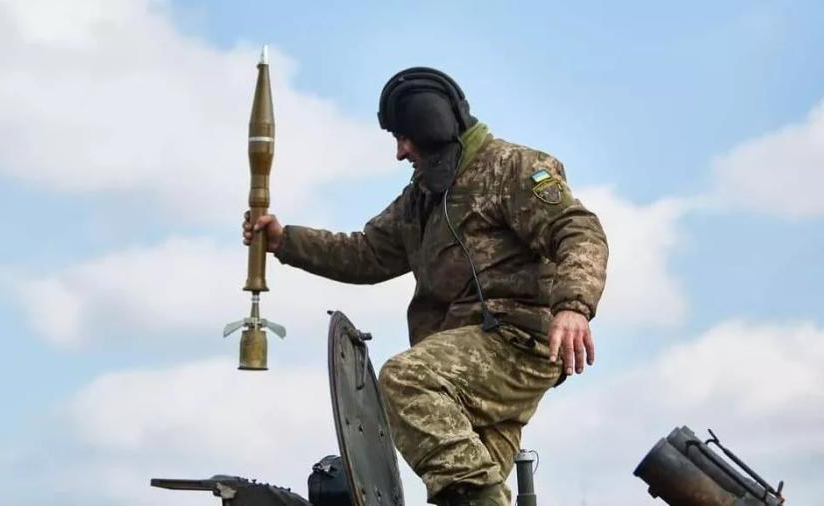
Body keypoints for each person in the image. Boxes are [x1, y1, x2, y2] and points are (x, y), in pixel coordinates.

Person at [243, 67, 608, 506]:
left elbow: (578, 230)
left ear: (432, 123)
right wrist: (285, 241)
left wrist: (573, 306)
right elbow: (366, 253)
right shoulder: (422, 198)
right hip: (461, 366)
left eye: (405, 137)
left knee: (406, 379)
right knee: (469, 491)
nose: (401, 152)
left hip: (514, 342)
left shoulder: (512, 169)